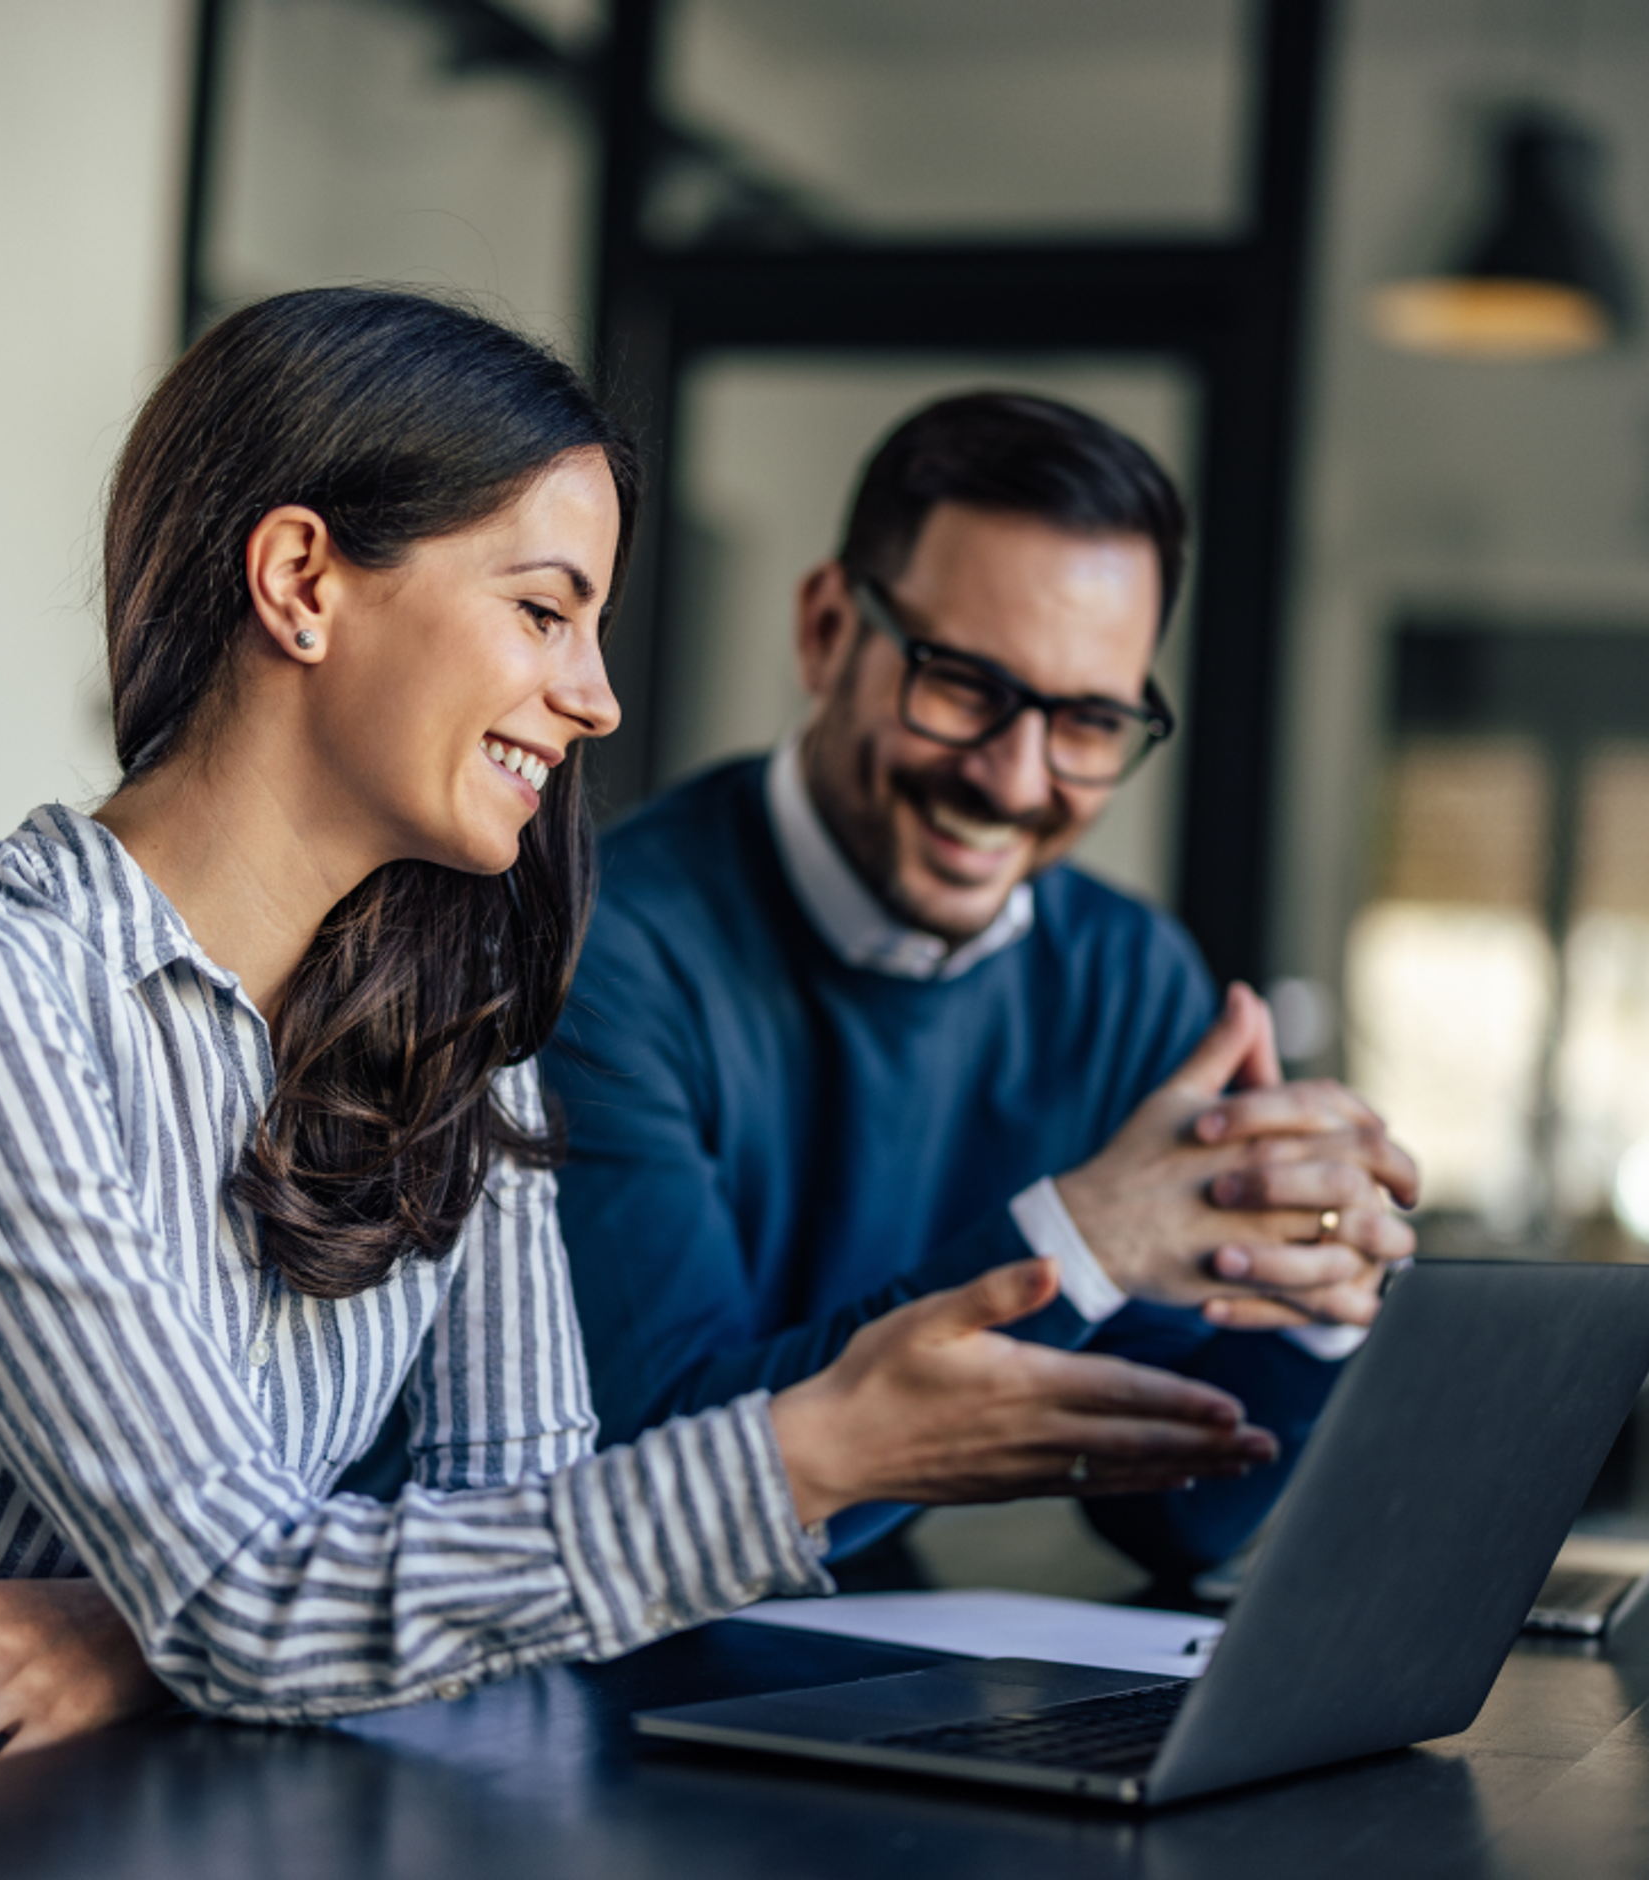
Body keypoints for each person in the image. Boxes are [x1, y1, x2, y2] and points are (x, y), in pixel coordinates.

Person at [0, 292, 1279, 1786]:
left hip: (204, 1829)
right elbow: (245, 1599)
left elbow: (523, 1522)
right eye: (544, 611)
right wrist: (816, 1451)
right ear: (301, 583)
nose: (594, 698)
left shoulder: (453, 1010)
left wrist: (159, 1625)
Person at [544, 392, 1419, 1580]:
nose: (1016, 779)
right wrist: (1081, 1246)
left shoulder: (1127, 975)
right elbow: (651, 1466)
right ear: (825, 629)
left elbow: (1168, 1516)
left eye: (1090, 721)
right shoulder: (600, 943)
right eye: (963, 686)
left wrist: (1317, 1293)